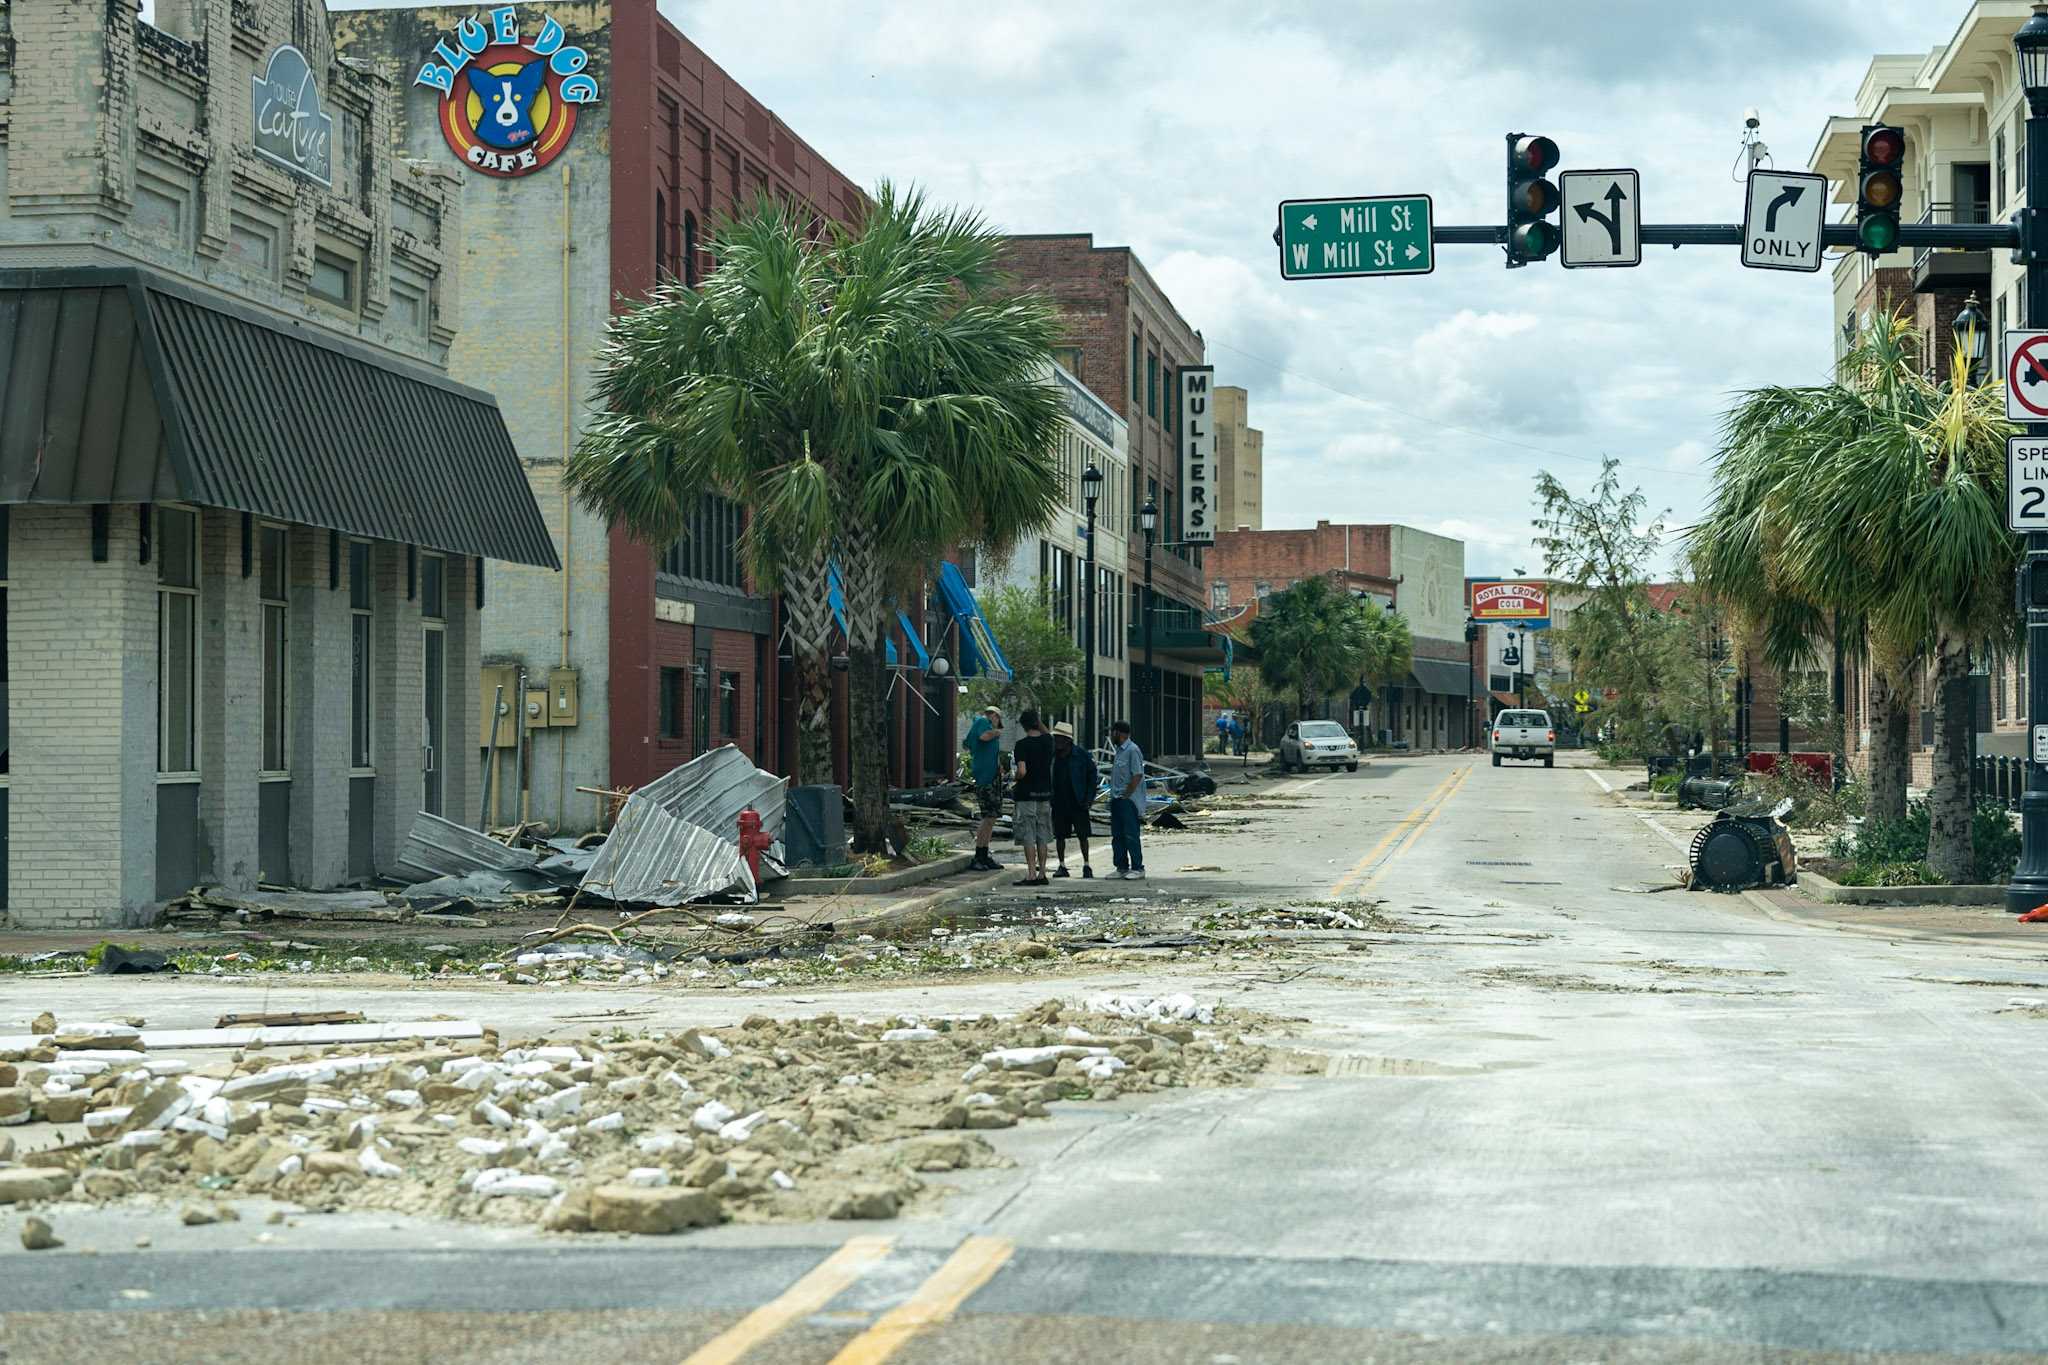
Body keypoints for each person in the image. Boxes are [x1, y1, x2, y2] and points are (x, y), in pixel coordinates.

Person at [1009, 709, 1055, 887]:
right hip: (1044, 794)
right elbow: (1047, 733)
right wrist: (1039, 721)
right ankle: (1042, 872)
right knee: (1042, 833)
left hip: (1027, 794)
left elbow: (1022, 771)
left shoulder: (1021, 745)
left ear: (1023, 725)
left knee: (1028, 833)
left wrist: (1015, 779)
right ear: (1037, 722)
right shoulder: (1047, 741)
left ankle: (1031, 874)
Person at [1049, 721, 1099, 879]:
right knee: (1060, 835)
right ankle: (1062, 865)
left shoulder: (1081, 755)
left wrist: (1089, 798)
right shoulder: (1053, 756)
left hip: (1078, 801)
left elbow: (1092, 777)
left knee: (1083, 835)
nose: (1057, 742)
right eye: (1055, 739)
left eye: (1059, 739)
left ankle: (1086, 865)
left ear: (1067, 740)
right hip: (1059, 801)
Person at [964, 704, 1005, 871]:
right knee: (988, 817)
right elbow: (983, 737)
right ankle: (978, 856)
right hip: (985, 779)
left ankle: (984, 853)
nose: (993, 719)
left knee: (992, 817)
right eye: (993, 716)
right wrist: (997, 732)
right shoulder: (982, 722)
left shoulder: (987, 728)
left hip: (992, 777)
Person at [1106, 718, 1146, 881]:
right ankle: (1121, 867)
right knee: (1117, 835)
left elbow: (1137, 775)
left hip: (1128, 801)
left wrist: (1127, 795)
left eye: (1113, 732)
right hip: (1116, 799)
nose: (1111, 735)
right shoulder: (1120, 751)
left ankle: (1137, 867)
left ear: (1119, 733)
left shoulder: (1132, 750)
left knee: (1130, 834)